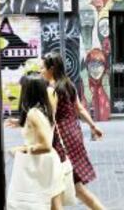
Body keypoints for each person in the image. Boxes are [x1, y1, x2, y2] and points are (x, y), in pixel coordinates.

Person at [41, 51, 105, 210]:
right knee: (73, 187)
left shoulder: (53, 89)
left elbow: (52, 119)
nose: (40, 71)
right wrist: (93, 125)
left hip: (62, 138)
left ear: (52, 68)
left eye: (43, 67)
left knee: (64, 185)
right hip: (74, 134)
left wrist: (43, 141)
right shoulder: (68, 84)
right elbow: (80, 109)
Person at [6, 73, 64, 210]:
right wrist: (22, 123)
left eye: (23, 88)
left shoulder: (33, 113)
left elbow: (46, 145)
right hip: (48, 162)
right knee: (54, 206)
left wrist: (21, 149)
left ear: (28, 91)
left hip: (41, 164)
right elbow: (40, 129)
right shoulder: (45, 108)